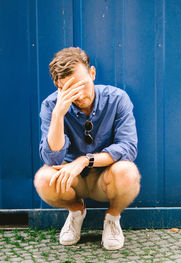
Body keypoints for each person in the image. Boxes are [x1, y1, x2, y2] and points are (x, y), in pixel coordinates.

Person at [34, 47, 140, 250]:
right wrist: (58, 115)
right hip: (74, 180)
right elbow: (52, 160)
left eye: (82, 84)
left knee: (128, 171)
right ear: (58, 86)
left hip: (107, 177)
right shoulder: (51, 106)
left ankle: (112, 218)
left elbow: (128, 148)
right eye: (69, 89)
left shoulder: (117, 99)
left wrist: (84, 160)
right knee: (44, 178)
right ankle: (76, 212)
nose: (79, 94)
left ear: (92, 73)